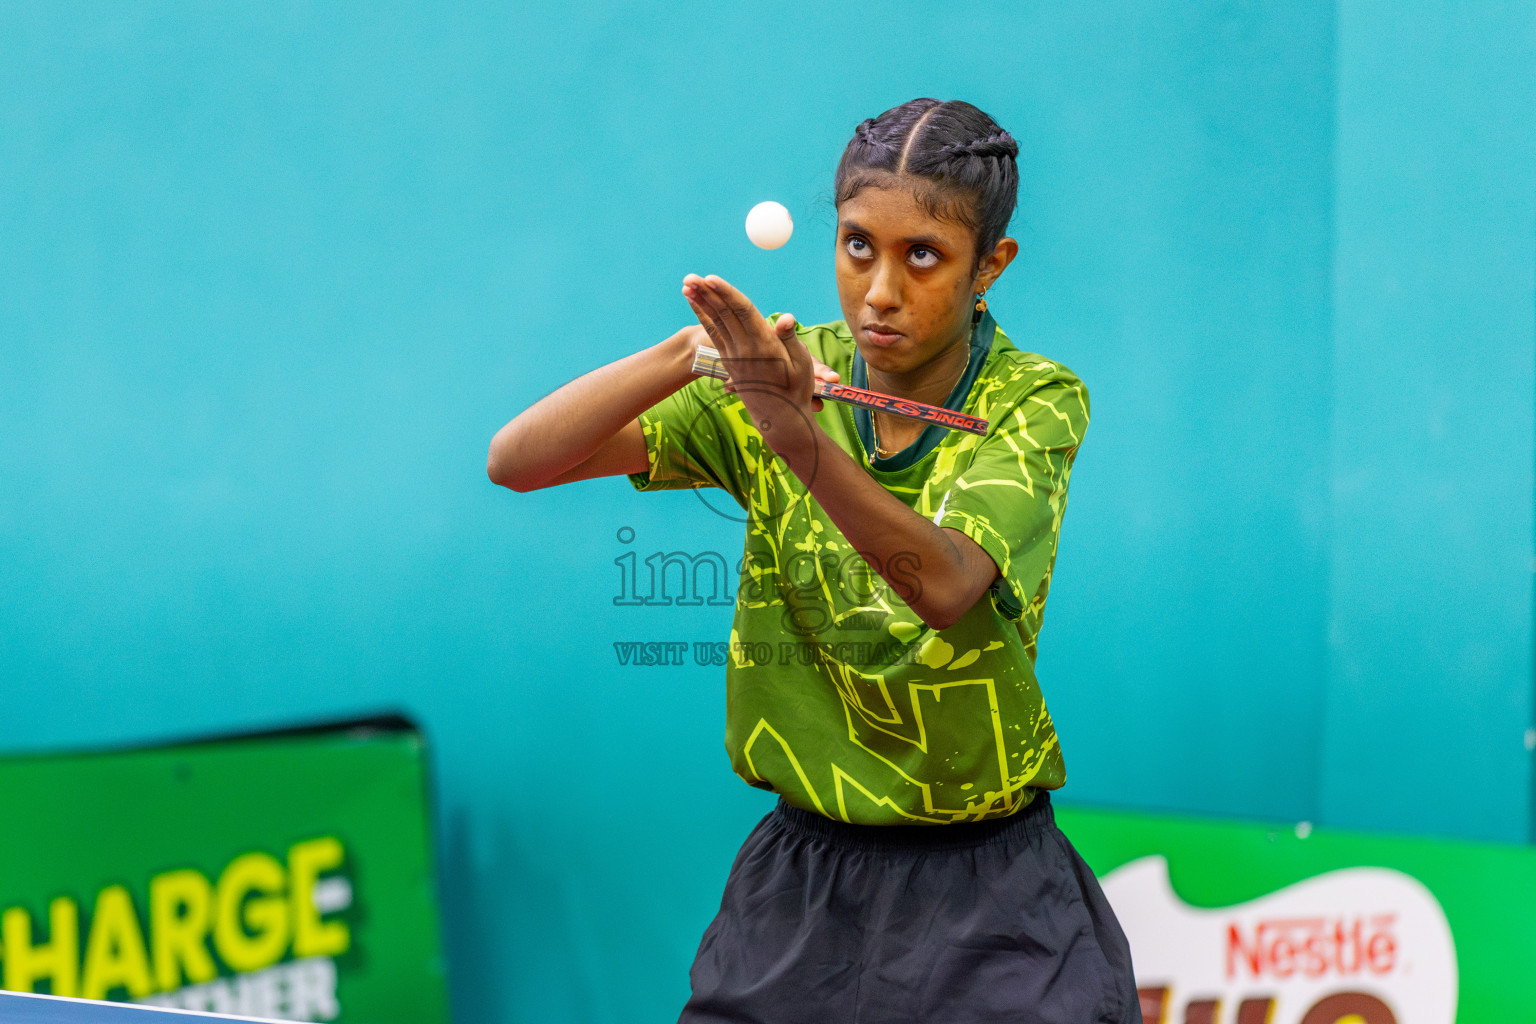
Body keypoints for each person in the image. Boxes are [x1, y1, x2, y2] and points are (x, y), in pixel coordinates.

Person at [488, 98, 1141, 1024]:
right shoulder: (777, 375)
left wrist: (795, 435)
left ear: (990, 265)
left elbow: (948, 585)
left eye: (924, 255)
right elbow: (517, 462)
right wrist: (687, 354)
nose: (879, 290)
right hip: (799, 894)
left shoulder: (1031, 400)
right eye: (857, 245)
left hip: (989, 902)